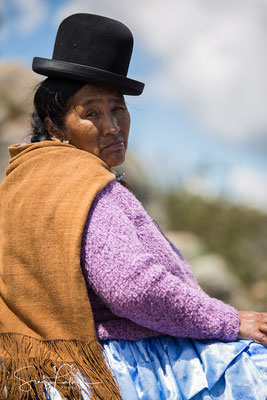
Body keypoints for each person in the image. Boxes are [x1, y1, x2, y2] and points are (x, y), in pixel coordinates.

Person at [0, 12, 267, 400]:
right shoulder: (82, 183)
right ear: (54, 124)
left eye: (117, 109)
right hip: (119, 365)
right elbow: (135, 289)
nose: (112, 125)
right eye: (91, 112)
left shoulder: (21, 180)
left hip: (33, 369)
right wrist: (231, 321)